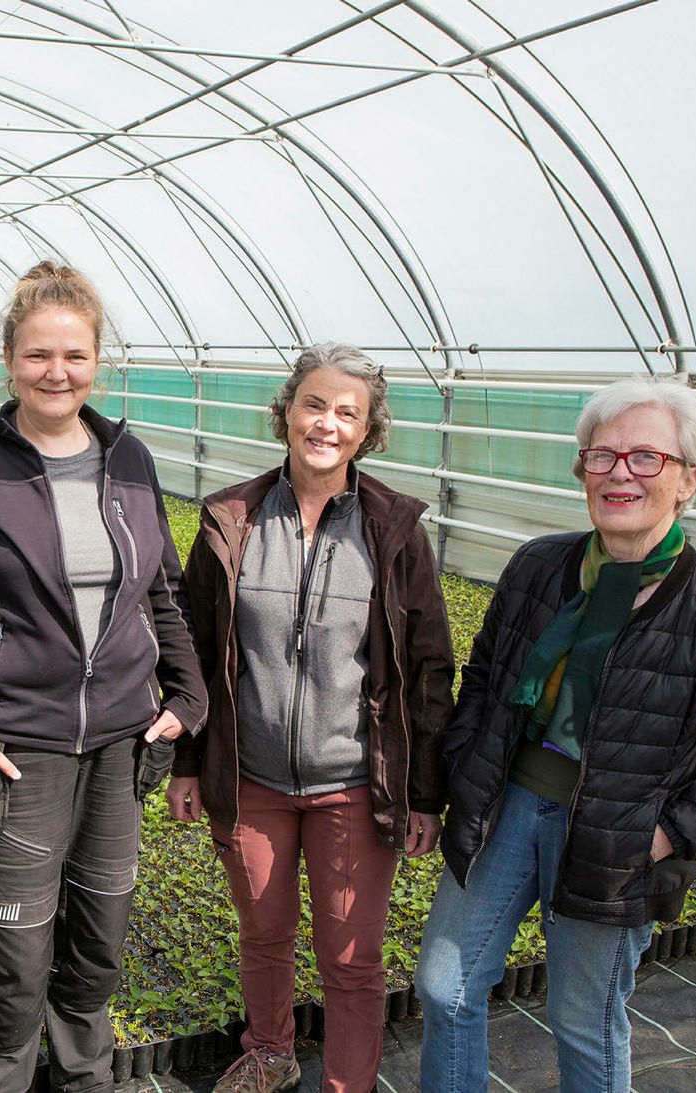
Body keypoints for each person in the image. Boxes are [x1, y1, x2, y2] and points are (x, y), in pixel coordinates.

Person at [415, 378, 696, 1092]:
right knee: (447, 986)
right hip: (505, 807)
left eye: (645, 458)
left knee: (584, 1022)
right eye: (601, 456)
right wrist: (463, 762)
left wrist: (670, 833)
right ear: (583, 472)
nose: (619, 472)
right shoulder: (540, 565)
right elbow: (485, 679)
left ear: (689, 478)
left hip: (615, 841)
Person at [0, 261, 208, 1092]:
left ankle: (84, 1078)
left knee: (99, 939)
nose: (57, 372)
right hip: (13, 749)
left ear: (97, 359)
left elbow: (164, 592)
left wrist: (188, 696)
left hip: (119, 745)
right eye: (38, 355)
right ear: (9, 359)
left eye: (73, 354)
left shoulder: (128, 458)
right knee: (13, 955)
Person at [169, 343, 456, 1093]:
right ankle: (268, 1051)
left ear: (368, 430)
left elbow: (429, 667)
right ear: (287, 412)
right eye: (314, 404)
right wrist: (190, 763)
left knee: (351, 955)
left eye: (346, 412)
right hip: (253, 776)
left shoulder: (393, 531)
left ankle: (347, 1083)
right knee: (264, 932)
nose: (326, 423)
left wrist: (424, 791)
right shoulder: (232, 518)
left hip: (355, 784)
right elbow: (197, 650)